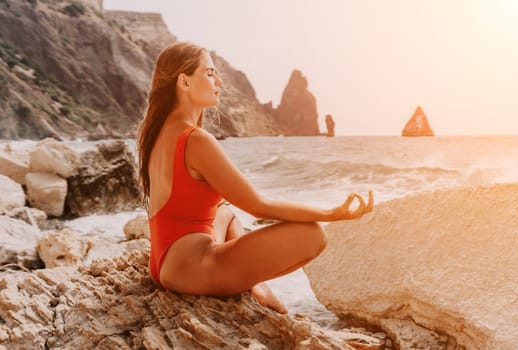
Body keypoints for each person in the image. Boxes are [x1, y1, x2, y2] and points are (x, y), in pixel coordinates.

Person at [137, 42, 373, 314]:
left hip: (164, 262)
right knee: (312, 234)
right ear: (184, 82)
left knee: (223, 208)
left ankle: (254, 283)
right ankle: (256, 285)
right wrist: (333, 213)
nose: (219, 81)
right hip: (192, 270)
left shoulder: (157, 133)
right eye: (210, 73)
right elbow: (259, 205)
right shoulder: (196, 140)